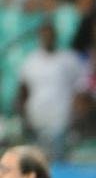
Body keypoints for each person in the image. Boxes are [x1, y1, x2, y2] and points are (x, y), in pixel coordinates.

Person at [17, 22, 84, 161]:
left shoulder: (68, 59)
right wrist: (23, 116)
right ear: (39, 37)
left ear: (56, 36)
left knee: (60, 161)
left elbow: (80, 88)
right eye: (44, 35)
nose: (47, 38)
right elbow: (23, 91)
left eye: (50, 35)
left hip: (61, 119)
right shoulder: (30, 61)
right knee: (39, 162)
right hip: (37, 119)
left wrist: (77, 115)